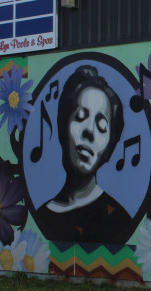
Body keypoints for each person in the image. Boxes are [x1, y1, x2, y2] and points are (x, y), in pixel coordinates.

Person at [35, 65, 135, 244]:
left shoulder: (119, 220)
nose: (90, 131)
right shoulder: (42, 215)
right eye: (80, 116)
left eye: (102, 126)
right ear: (63, 125)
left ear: (109, 148)